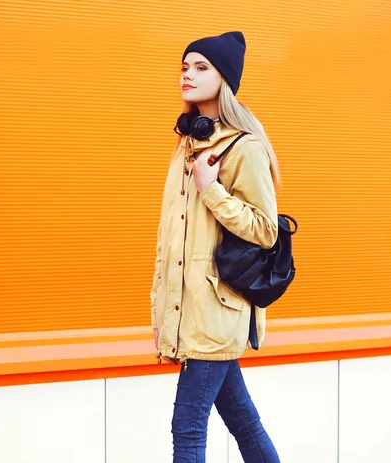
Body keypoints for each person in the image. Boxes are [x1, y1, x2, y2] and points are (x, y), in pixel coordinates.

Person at [150, 31, 282, 462]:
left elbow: (266, 229)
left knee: (187, 426)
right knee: (242, 420)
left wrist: (212, 190)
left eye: (201, 67)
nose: (187, 75)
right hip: (191, 307)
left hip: (218, 308)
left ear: (224, 78)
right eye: (185, 67)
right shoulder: (187, 141)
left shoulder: (245, 147)